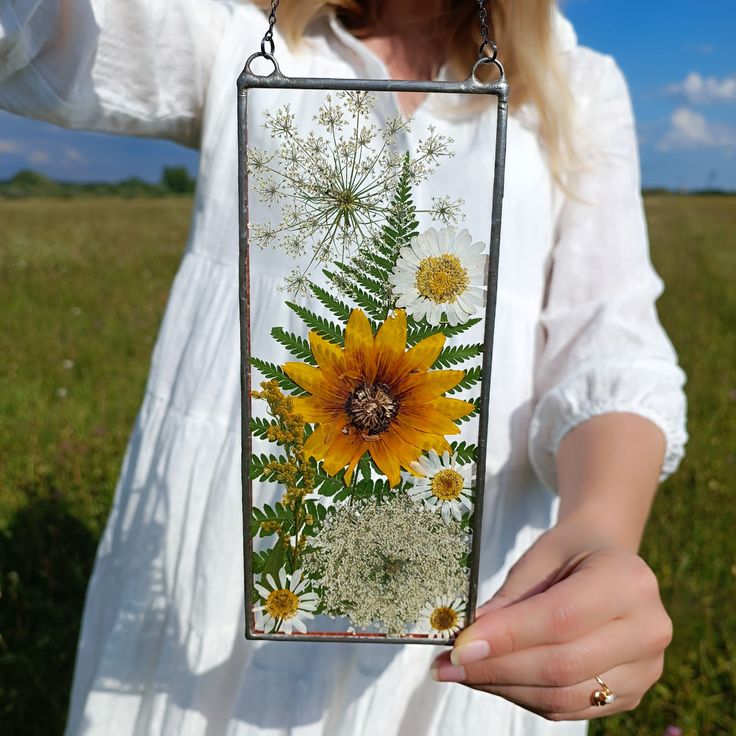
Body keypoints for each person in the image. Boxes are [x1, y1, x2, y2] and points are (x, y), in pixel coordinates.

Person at [0, 0, 687, 734]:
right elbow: (41, 29)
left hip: (468, 608)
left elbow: (608, 338)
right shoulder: (239, 36)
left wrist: (601, 525)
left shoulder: (574, 88)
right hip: (224, 586)